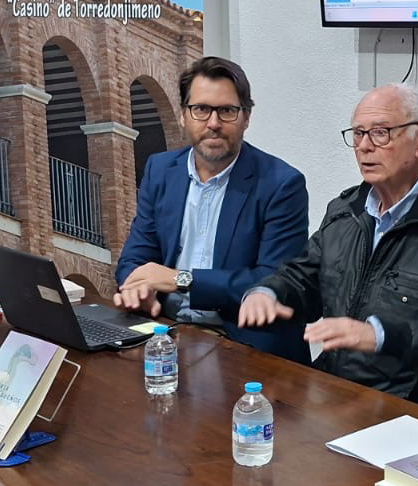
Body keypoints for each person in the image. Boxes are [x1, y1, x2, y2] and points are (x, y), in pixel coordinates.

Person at [238, 84, 418, 405]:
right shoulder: (345, 210)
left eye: (380, 133)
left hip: (408, 405)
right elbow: (304, 277)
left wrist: (382, 336)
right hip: (333, 387)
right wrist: (269, 292)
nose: (364, 146)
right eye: (358, 133)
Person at [113, 56, 310, 362]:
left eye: (227, 111)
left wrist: (179, 279)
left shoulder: (281, 184)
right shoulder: (161, 170)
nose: (214, 123)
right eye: (201, 109)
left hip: (243, 347)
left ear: (246, 117)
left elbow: (273, 281)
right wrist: (139, 289)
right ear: (183, 115)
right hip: (168, 334)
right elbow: (135, 258)